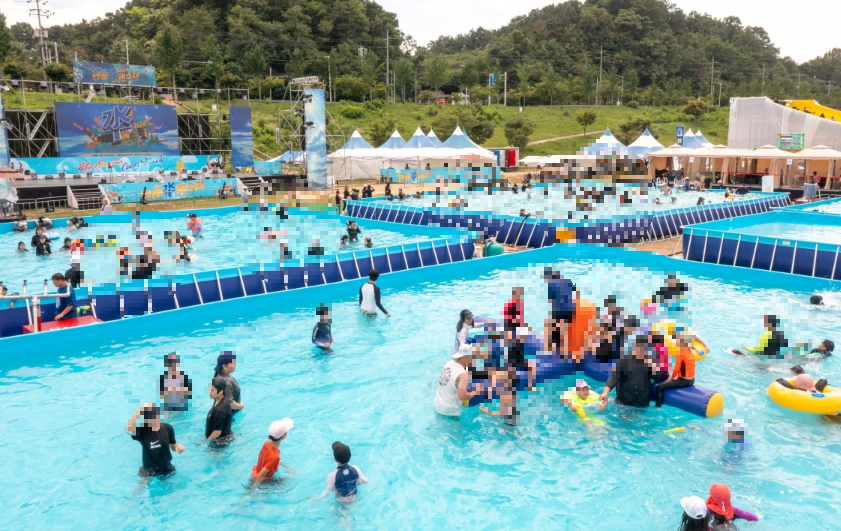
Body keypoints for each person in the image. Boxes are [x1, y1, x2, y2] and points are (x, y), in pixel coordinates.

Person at [599, 336, 657, 410]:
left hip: (641, 406)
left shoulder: (649, 364)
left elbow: (656, 377)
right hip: (624, 405)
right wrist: (605, 392)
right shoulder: (624, 362)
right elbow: (614, 377)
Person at [126, 404, 184, 477]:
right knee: (141, 487)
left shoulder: (167, 428)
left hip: (166, 468)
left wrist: (178, 447)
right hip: (148, 470)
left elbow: (173, 447)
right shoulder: (141, 432)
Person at [434, 344, 482, 416]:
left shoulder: (448, 364)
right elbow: (462, 396)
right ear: (465, 357)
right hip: (450, 412)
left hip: (437, 405)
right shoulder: (463, 374)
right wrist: (475, 392)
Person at [655, 331, 696, 407]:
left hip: (685, 381)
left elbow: (676, 369)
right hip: (692, 380)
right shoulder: (688, 348)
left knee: (659, 387)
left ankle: (657, 406)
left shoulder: (681, 352)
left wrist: (671, 378)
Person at [251, 419, 296, 484]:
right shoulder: (275, 457)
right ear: (283, 436)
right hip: (264, 481)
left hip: (255, 473)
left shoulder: (266, 443)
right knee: (289, 481)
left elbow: (269, 461)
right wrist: (252, 490)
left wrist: (287, 467)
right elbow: (260, 477)